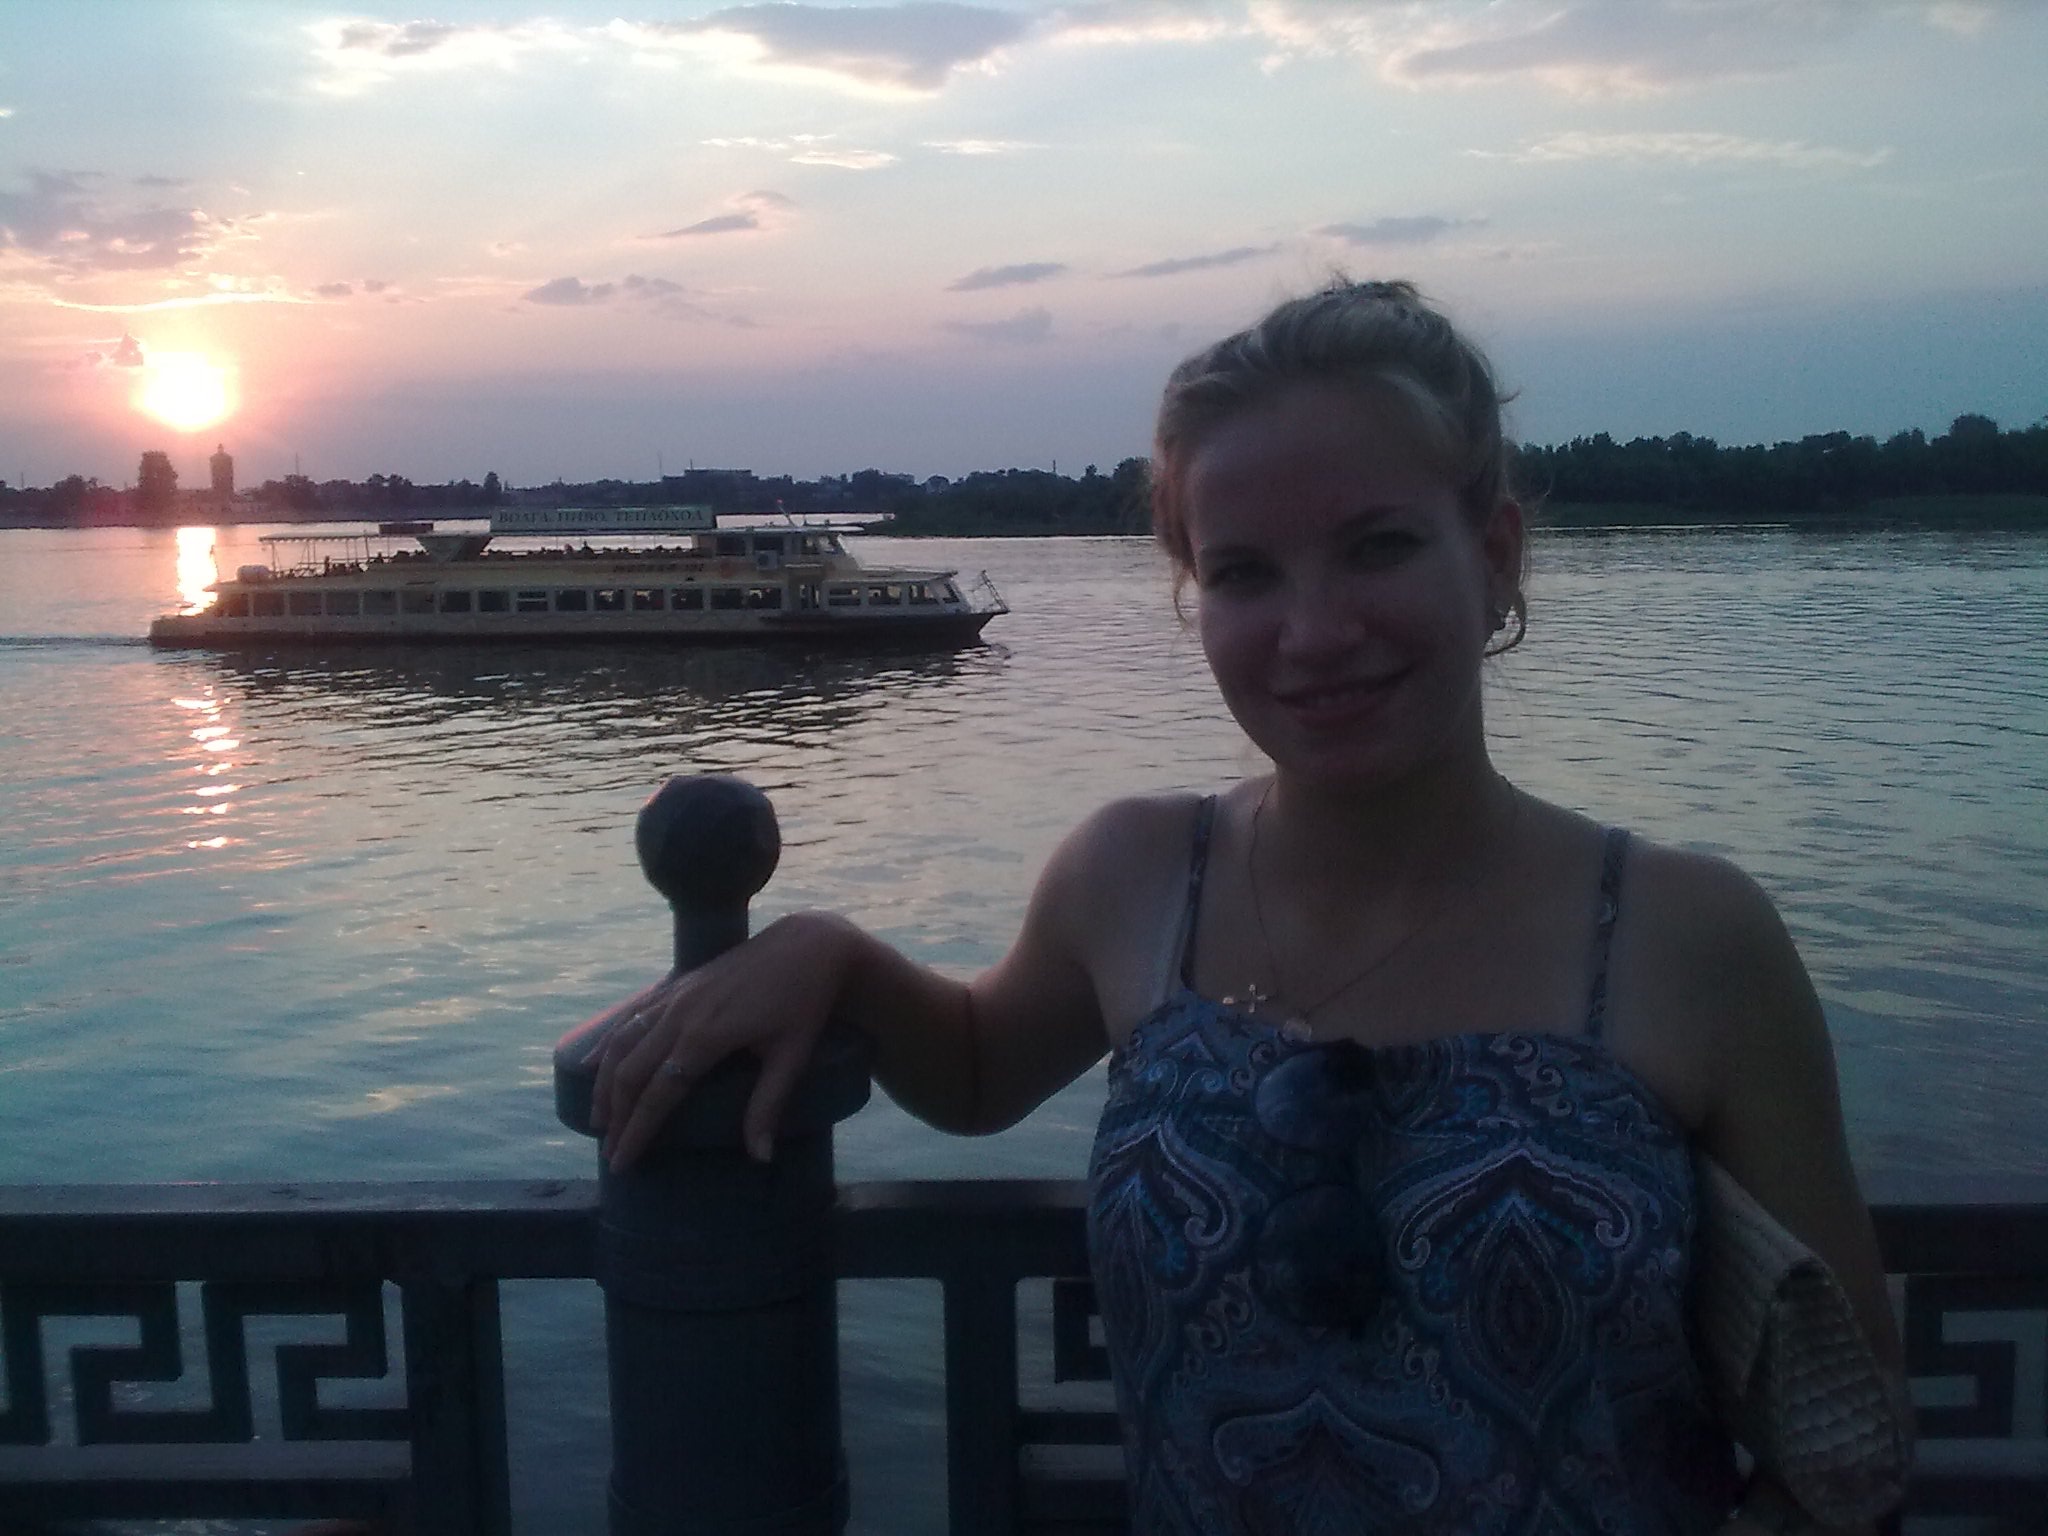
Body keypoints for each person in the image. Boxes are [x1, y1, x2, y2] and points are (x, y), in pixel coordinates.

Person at [588, 278, 1901, 1534]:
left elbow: (1842, 1459)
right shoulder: (1136, 875)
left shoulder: (1688, 938)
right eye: (1246, 573)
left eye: (1378, 547)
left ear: (1494, 554)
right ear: (1193, 594)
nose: (1313, 632)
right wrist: (832, 955)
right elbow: (981, 1069)